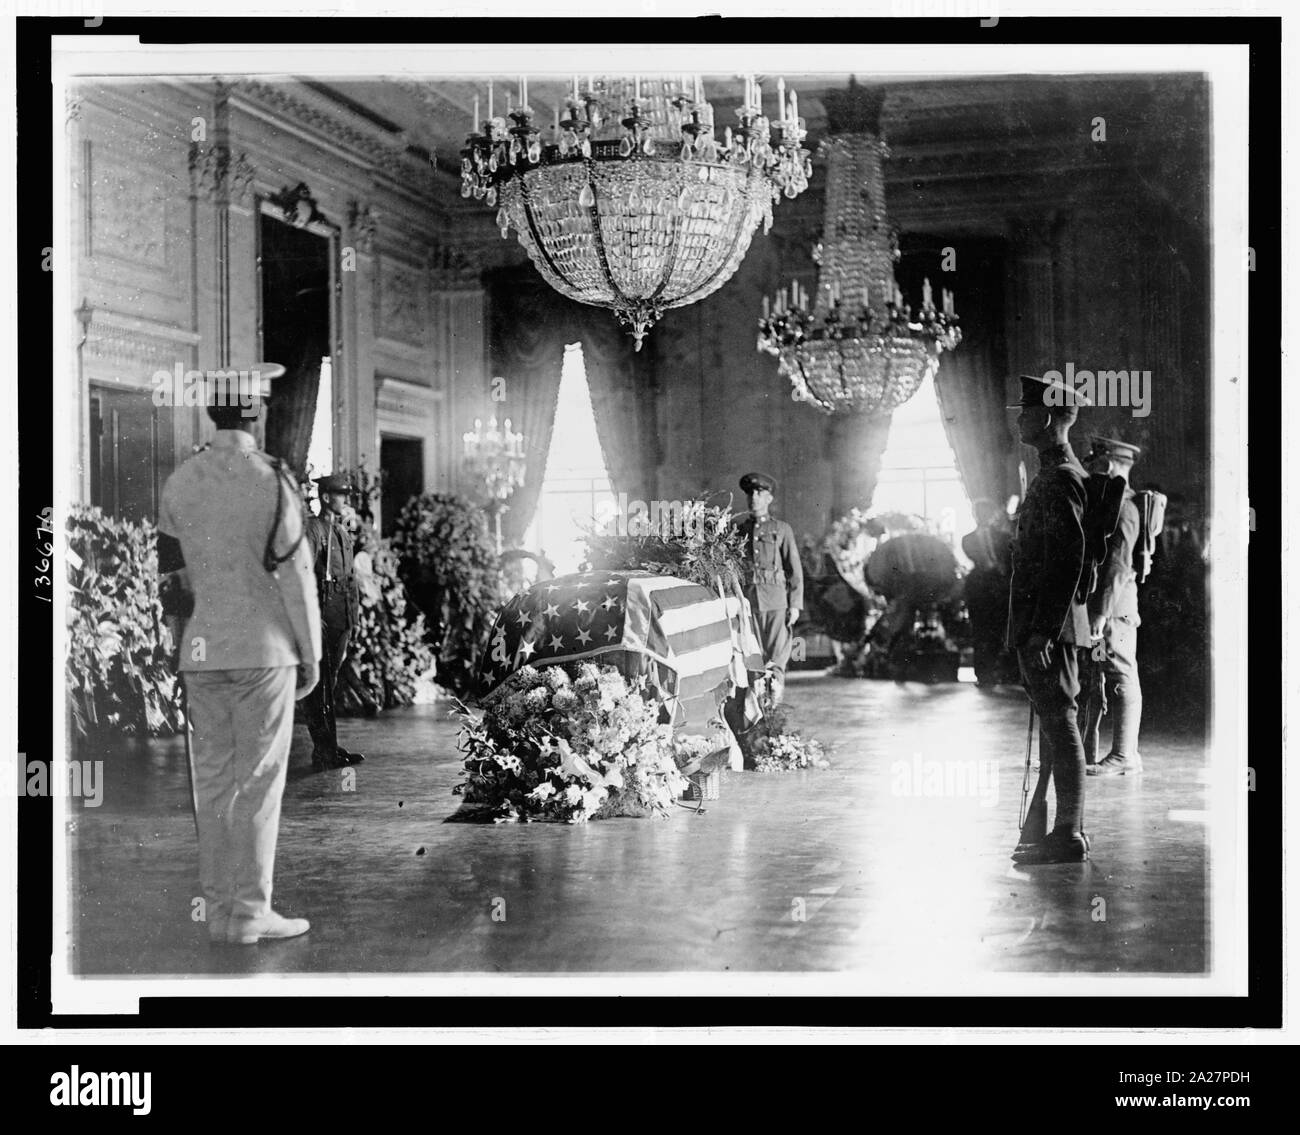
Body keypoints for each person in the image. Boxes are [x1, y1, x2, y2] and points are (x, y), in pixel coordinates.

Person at [156, 365, 321, 945]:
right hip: (265, 651)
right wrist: (312, 652)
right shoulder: (273, 480)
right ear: (256, 412)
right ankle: (250, 914)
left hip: (200, 651)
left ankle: (220, 910)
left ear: (211, 411)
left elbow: (173, 576)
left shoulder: (180, 481)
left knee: (213, 784)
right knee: (258, 781)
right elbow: (298, 575)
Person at [1006, 375, 1094, 864]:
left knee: (1061, 724)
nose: (1019, 419)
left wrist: (1042, 628)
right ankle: (1060, 830)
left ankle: (1069, 833)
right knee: (1055, 723)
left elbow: (1067, 560)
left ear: (1045, 418)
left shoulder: (1061, 478)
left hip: (1051, 631)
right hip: (1049, 627)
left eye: (1025, 412)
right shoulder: (1054, 474)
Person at [1081, 437, 1144, 776]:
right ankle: (1088, 750)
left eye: (1096, 463)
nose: (1091, 468)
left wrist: (1101, 612)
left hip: (1114, 611)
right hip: (1102, 610)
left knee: (1120, 673)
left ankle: (1125, 755)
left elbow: (1118, 566)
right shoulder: (1111, 504)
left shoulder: (1125, 508)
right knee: (1097, 672)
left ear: (1109, 465)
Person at [302, 472, 366, 771]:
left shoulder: (341, 532)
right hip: (323, 613)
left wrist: (353, 618)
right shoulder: (313, 529)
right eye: (341, 495)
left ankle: (328, 747)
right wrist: (314, 616)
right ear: (326, 497)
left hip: (340, 614)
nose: (345, 500)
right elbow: (303, 575)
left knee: (331, 681)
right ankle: (324, 750)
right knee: (321, 684)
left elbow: (351, 579)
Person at [735, 472, 804, 704]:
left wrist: (795, 604)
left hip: (776, 602)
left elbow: (795, 570)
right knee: (752, 657)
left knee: (776, 660)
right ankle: (755, 711)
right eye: (750, 493)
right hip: (748, 603)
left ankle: (774, 710)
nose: (754, 497)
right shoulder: (739, 531)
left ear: (769, 498)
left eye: (760, 493)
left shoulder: (781, 529)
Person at [962, 498, 1014, 687]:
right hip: (980, 589)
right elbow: (979, 559)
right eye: (979, 513)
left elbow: (1009, 562)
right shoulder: (967, 539)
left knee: (1000, 631)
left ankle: (1001, 671)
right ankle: (983, 675)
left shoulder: (1005, 538)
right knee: (980, 632)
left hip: (1000, 589)